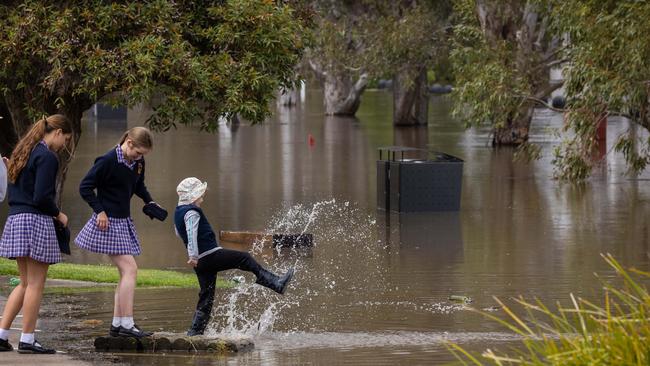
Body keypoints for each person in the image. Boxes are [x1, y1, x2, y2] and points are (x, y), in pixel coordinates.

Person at [174, 177, 295, 336]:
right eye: (200, 196)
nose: (202, 199)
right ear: (192, 196)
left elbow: (179, 233)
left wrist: (195, 256)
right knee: (244, 258)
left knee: (207, 296)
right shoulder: (191, 212)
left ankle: (195, 332)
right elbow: (190, 233)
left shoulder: (178, 212)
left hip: (201, 262)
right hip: (208, 255)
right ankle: (274, 282)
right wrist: (193, 255)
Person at [75, 127, 165, 338]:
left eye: (143, 155)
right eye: (138, 152)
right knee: (130, 270)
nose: (140, 157)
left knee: (125, 272)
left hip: (124, 221)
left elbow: (138, 185)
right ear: (129, 143)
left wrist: (149, 201)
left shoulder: (138, 163)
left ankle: (117, 324)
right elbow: (85, 187)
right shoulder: (107, 160)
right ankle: (126, 324)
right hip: (108, 223)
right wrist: (100, 211)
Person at [0, 115, 72, 354]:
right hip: (35, 221)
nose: (64, 146)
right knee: (36, 285)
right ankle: (28, 339)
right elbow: (42, 196)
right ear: (58, 132)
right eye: (66, 140)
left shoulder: (24, 151)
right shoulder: (47, 156)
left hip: (16, 218)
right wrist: (58, 214)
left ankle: (1, 335)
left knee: (24, 283)